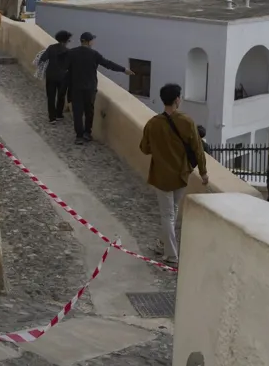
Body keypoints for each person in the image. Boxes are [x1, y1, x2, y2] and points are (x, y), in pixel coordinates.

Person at [139, 83, 208, 265]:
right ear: (177, 99)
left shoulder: (153, 123)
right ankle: (164, 245)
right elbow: (198, 149)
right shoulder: (187, 121)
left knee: (167, 214)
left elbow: (144, 148)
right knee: (173, 211)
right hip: (181, 173)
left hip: (161, 175)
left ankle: (171, 254)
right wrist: (204, 172)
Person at [66, 32, 133, 145]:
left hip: (76, 87)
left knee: (77, 113)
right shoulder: (94, 54)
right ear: (88, 41)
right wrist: (123, 70)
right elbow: (108, 64)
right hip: (90, 88)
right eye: (92, 40)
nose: (93, 42)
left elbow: (65, 68)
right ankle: (87, 133)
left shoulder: (72, 53)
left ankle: (79, 136)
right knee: (89, 111)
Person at [42, 30, 72, 123]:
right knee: (61, 96)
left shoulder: (51, 48)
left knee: (51, 96)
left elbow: (43, 58)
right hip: (62, 77)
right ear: (66, 40)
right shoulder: (68, 51)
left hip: (51, 76)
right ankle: (59, 114)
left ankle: (52, 118)